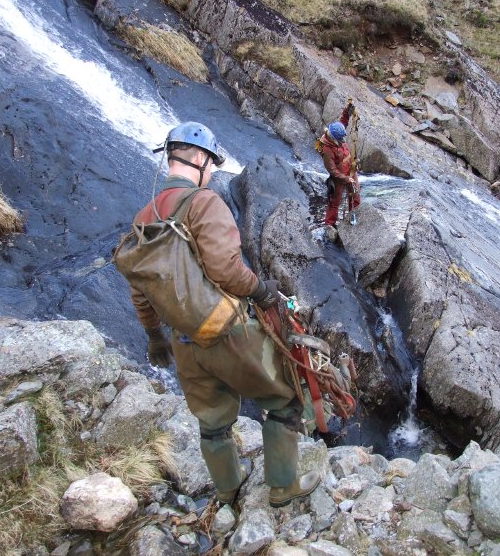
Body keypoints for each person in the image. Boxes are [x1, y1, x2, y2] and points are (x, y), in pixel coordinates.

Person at [128, 121, 320, 507]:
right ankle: (282, 487)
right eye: (211, 162)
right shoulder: (204, 203)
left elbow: (140, 291)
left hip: (184, 340)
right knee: (286, 402)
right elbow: (225, 269)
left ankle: (228, 492)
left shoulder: (143, 217)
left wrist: (154, 336)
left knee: (213, 422)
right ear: (197, 158)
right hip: (227, 331)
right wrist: (265, 293)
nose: (213, 170)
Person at [318, 98, 360, 227]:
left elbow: (343, 122)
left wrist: (347, 111)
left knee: (356, 195)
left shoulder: (337, 130)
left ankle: (355, 218)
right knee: (334, 201)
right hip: (338, 177)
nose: (343, 141)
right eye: (340, 139)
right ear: (332, 137)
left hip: (350, 169)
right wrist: (346, 179)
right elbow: (332, 170)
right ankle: (329, 225)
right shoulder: (326, 149)